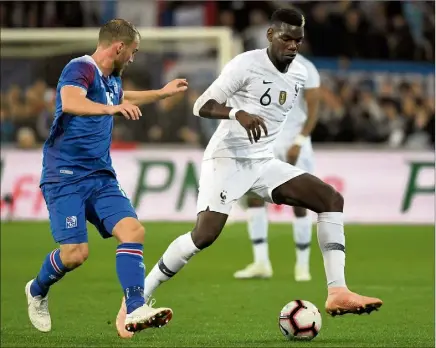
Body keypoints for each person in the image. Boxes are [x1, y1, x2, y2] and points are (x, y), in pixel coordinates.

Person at [116, 8, 383, 338]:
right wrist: (237, 113)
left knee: (330, 199)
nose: (293, 45)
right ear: (271, 35)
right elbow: (202, 105)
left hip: (262, 161)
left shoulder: (300, 73)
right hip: (227, 159)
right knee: (204, 235)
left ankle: (338, 291)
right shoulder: (246, 64)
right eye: (286, 38)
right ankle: (134, 301)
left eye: (298, 40)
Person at [25, 19, 188, 335]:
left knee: (133, 231)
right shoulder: (80, 68)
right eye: (133, 52)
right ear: (119, 47)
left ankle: (136, 307)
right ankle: (36, 289)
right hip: (65, 176)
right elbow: (71, 102)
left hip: (100, 175)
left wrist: (161, 93)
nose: (133, 58)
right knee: (75, 255)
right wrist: (110, 110)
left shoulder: (112, 81)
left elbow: (124, 97)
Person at [233, 53, 321, 282]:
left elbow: (313, 109)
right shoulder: (258, 64)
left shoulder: (306, 67)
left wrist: (300, 141)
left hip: (294, 142)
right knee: (254, 197)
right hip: (264, 141)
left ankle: (302, 267)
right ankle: (261, 262)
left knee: (299, 201)